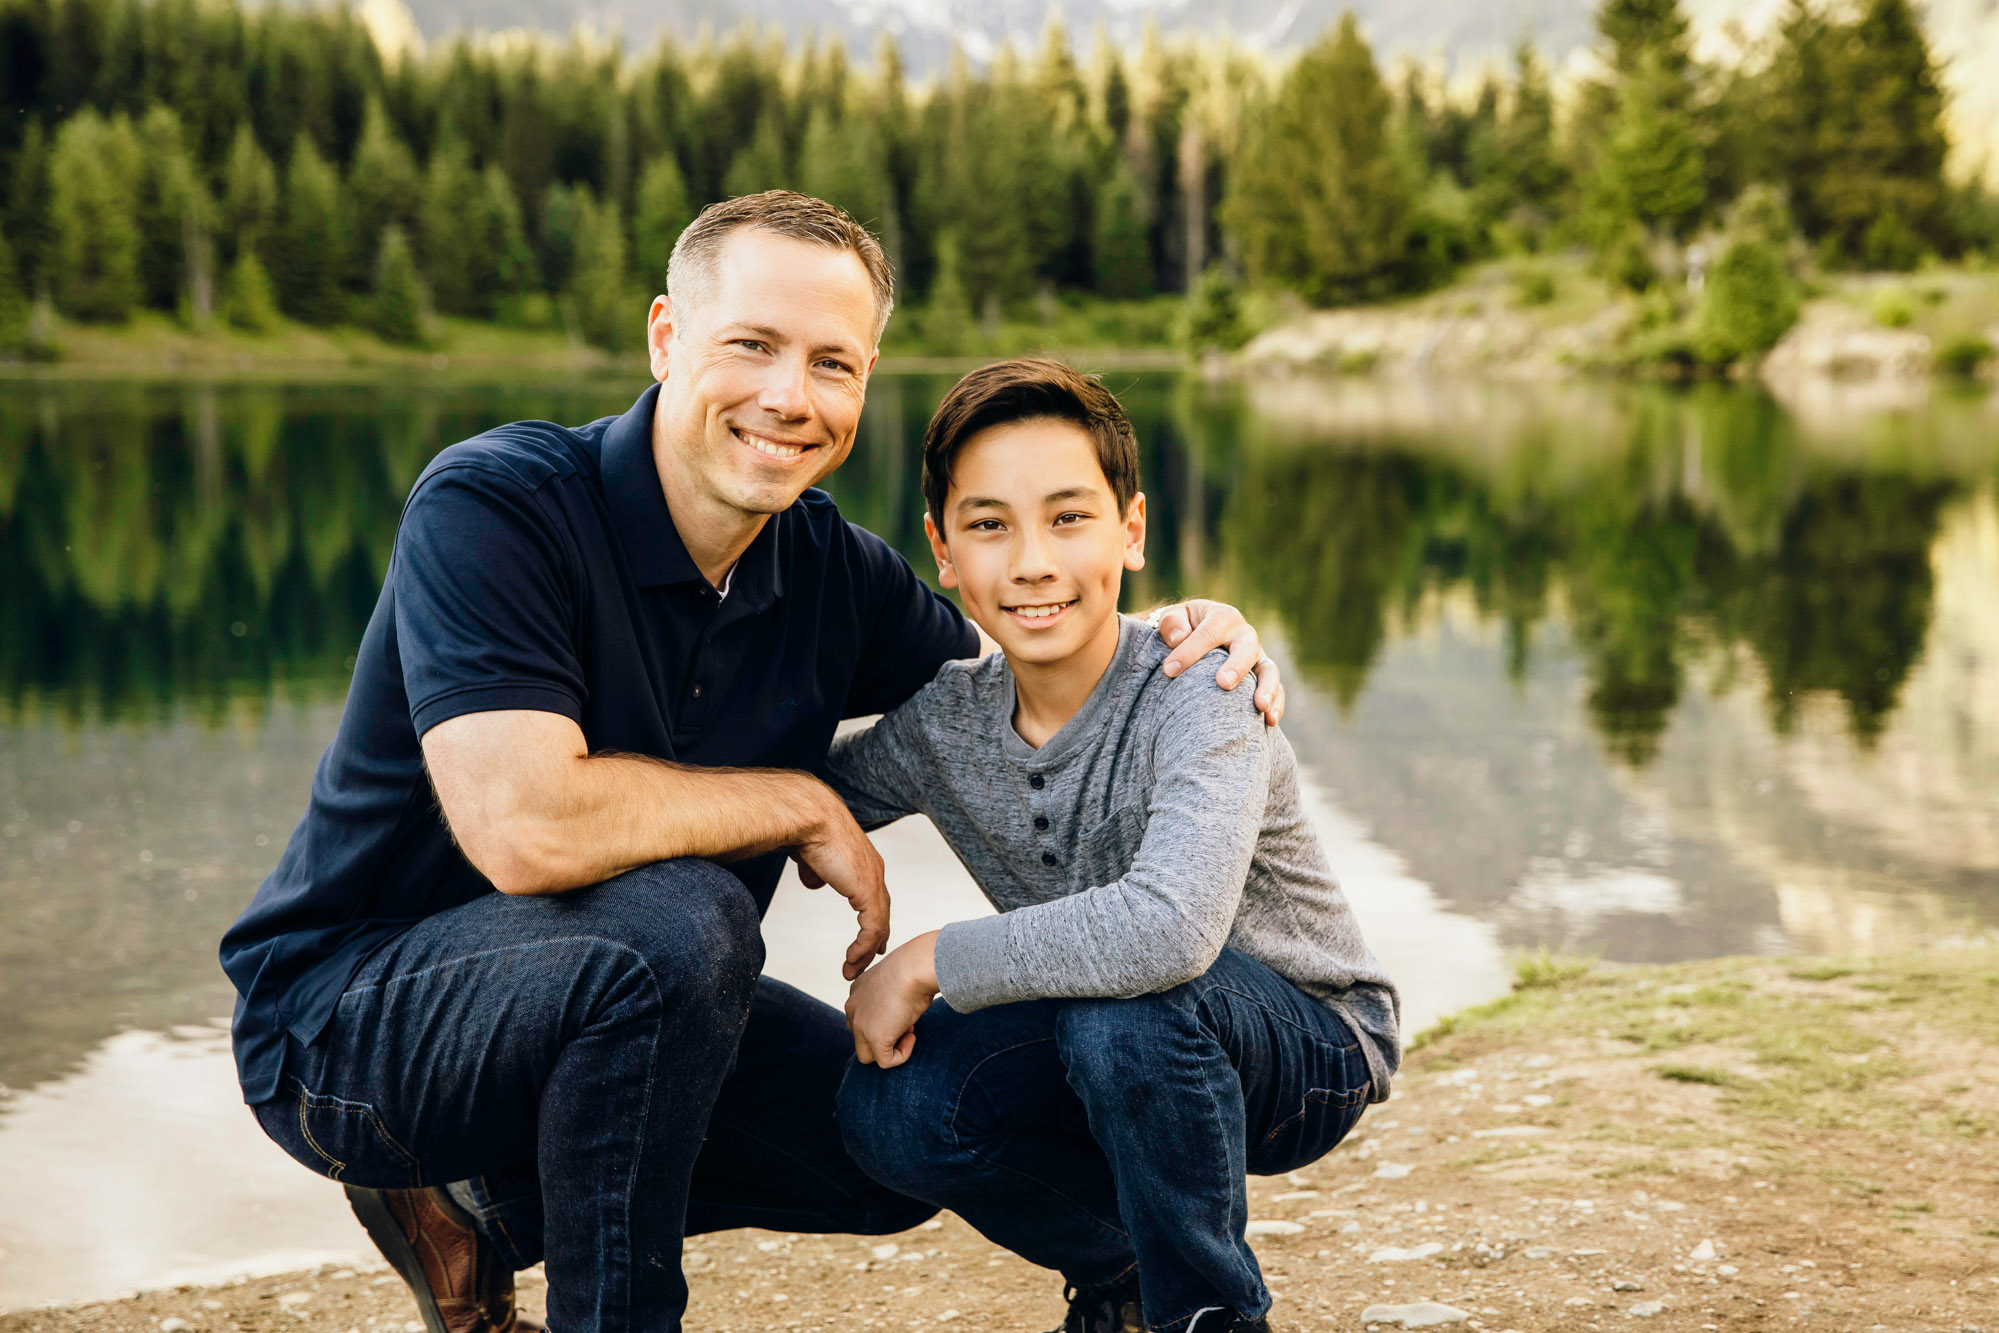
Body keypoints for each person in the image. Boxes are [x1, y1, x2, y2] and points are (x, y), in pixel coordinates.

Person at [217, 193, 1287, 1333]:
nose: (790, 396)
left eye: (833, 362)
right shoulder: (499, 504)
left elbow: (1030, 643)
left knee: (886, 1124)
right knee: (682, 919)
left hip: (613, 1001)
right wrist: (796, 800)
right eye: (752, 346)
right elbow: (525, 826)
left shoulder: (829, 571)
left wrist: (1184, 633)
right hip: (350, 1030)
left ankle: (473, 1200)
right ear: (667, 338)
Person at [827, 359, 1401, 1333]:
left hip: (1305, 1041)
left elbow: (1168, 933)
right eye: (988, 524)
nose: (1032, 562)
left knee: (1124, 1011)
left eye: (1068, 517)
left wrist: (928, 958)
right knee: (890, 1106)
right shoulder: (943, 725)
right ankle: (1126, 1272)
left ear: (1130, 530)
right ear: (942, 551)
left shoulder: (1199, 684)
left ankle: (1206, 1315)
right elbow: (799, 790)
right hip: (1105, 1031)